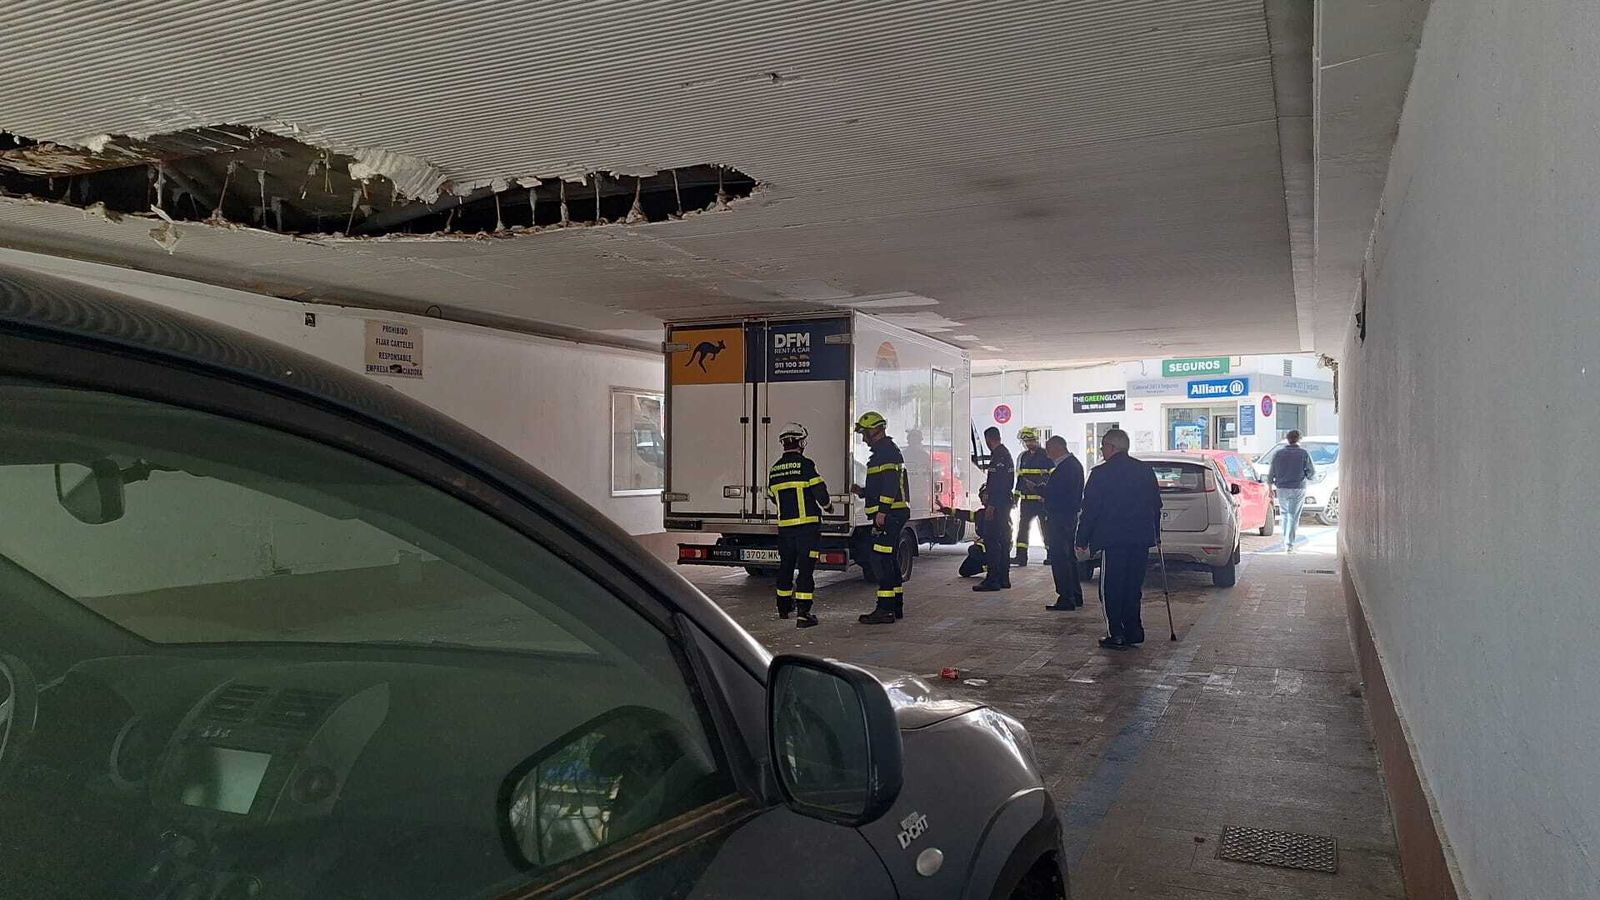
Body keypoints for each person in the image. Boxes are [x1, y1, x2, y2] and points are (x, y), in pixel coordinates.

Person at [1076, 428, 1161, 650]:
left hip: (1113, 541)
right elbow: (1156, 506)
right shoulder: (1145, 471)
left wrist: (1081, 538)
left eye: (1103, 446)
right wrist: (1156, 535)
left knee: (1111, 588)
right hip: (1141, 539)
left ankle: (1116, 633)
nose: (1102, 451)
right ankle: (1134, 630)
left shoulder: (1101, 474)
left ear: (1112, 447)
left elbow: (1090, 509)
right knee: (1133, 587)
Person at [767, 422, 831, 628]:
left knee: (785, 567)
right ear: (802, 442)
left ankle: (784, 608)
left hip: (785, 529)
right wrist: (828, 507)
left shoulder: (775, 469)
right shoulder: (806, 465)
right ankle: (804, 614)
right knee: (805, 570)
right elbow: (820, 491)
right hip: (807, 529)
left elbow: (772, 496)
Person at [850, 411, 909, 624]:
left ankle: (885, 609)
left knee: (880, 559)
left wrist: (883, 511)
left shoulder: (887, 453)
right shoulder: (884, 453)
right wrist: (863, 492)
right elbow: (882, 486)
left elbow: (891, 485)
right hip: (892, 513)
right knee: (889, 559)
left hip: (890, 514)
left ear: (877, 430)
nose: (864, 438)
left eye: (865, 433)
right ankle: (895, 606)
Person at [1040, 436, 1085, 611]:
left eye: (1048, 449)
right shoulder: (1073, 465)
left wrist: (1040, 490)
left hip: (1060, 517)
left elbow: (1058, 494)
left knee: (1060, 557)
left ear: (1057, 448)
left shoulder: (1066, 468)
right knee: (1069, 557)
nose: (1048, 454)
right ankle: (1075, 594)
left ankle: (1066, 597)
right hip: (1068, 517)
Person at [972, 426, 1014, 592]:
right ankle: (1004, 578)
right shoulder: (1004, 454)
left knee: (992, 541)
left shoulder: (999, 456)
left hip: (998, 505)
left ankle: (993, 579)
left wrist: (992, 505)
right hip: (1003, 504)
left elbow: (1000, 484)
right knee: (1002, 541)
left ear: (989, 439)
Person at [1268, 429, 1316, 551]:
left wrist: (1269, 486)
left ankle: (1285, 540)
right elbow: (1311, 472)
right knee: (1293, 515)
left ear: (1287, 439)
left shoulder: (1278, 454)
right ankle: (1289, 544)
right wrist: (1308, 477)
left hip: (1282, 487)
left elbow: (1271, 472)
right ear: (1299, 439)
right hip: (1298, 487)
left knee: (1285, 514)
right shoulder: (1304, 453)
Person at [1013, 427, 1053, 567]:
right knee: (1023, 528)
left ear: (1036, 440)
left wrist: (1047, 494)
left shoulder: (1046, 456)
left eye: (1030, 440)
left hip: (1042, 500)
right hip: (1026, 501)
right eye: (1025, 441)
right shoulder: (1023, 457)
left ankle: (1051, 555)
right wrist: (1016, 497)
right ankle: (1021, 556)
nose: (1028, 443)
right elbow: (1020, 478)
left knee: (1046, 528)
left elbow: (1052, 477)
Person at [940, 484, 998, 579]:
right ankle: (988, 567)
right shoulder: (981, 513)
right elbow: (966, 515)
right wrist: (947, 510)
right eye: (983, 495)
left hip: (995, 547)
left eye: (986, 495)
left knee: (974, 549)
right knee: (964, 571)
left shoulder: (998, 514)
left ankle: (995, 567)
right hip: (986, 547)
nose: (983, 498)